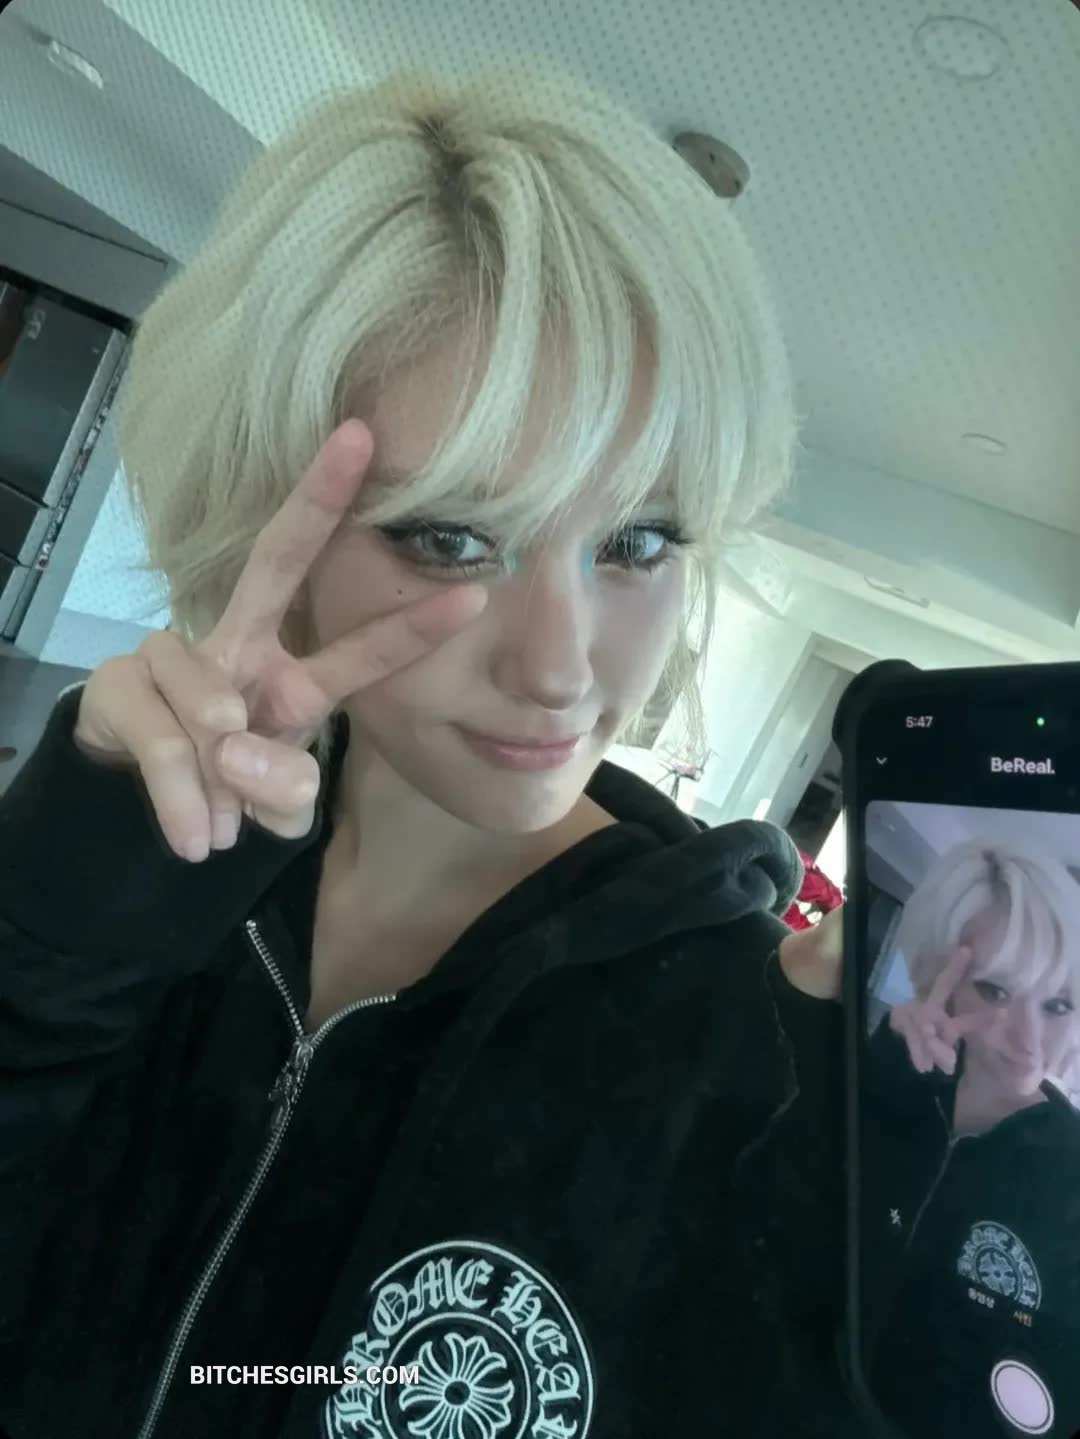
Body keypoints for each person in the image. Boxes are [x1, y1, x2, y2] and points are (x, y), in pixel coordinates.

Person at [0, 67, 854, 1439]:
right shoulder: (128, 877)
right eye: (452, 535)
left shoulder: (752, 1061)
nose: (561, 667)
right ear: (266, 513)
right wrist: (56, 919)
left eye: (638, 540)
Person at [859, 840, 1080, 1437]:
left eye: (1059, 1004)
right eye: (997, 991)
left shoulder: (1072, 1179)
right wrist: (880, 1076)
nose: (1028, 1040)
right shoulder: (876, 1085)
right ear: (941, 977)